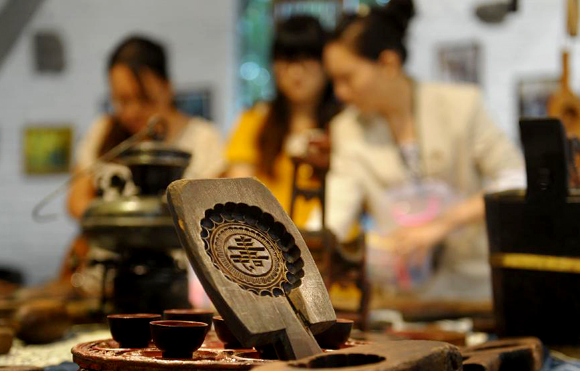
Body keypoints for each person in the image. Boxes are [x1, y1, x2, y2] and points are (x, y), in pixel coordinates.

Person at [323, 0, 526, 301]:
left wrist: (444, 223)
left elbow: (515, 179)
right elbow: (338, 209)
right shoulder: (348, 129)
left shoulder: (460, 106)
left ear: (388, 64)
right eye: (335, 80)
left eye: (347, 78)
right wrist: (319, 241)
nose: (339, 92)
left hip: (473, 292)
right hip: (398, 298)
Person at [68, 36, 225, 218]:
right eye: (122, 101)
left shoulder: (203, 138)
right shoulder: (103, 129)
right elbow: (76, 201)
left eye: (144, 98)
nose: (132, 112)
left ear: (168, 88)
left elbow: (209, 211)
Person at [226, 15, 341, 227]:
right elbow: (237, 192)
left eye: (308, 59)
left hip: (334, 247)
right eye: (287, 60)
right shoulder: (254, 120)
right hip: (269, 247)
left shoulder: (345, 125)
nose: (296, 71)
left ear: (328, 63)